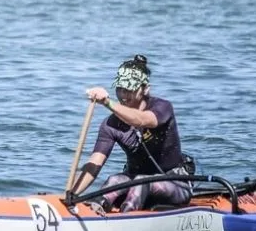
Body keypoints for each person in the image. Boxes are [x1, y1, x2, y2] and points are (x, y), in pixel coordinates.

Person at [70, 54, 192, 214]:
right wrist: (71, 194)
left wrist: (107, 102)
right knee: (114, 180)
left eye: (130, 89)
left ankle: (125, 218)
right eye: (120, 88)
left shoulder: (162, 107)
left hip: (174, 183)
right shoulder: (110, 125)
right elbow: (94, 165)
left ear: (145, 89)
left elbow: (141, 120)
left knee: (143, 181)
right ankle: (95, 210)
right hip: (133, 180)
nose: (123, 95)